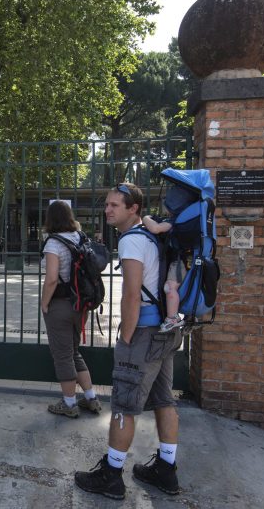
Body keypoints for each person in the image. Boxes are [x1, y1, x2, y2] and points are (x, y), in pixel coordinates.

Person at [74, 183, 183, 500]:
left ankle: (111, 475)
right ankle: (166, 469)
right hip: (166, 330)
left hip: (144, 334)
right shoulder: (153, 236)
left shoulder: (132, 241)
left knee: (123, 404)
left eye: (114, 205)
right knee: (164, 400)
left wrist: (125, 335)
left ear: (133, 209)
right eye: (106, 205)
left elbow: (132, 294)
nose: (107, 210)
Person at [40, 200, 101, 418]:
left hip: (61, 305)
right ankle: (92, 398)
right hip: (81, 305)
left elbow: (51, 280)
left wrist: (44, 303)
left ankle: (69, 404)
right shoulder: (79, 238)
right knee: (74, 352)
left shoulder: (53, 244)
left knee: (62, 356)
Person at [142, 214, 186, 333]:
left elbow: (155, 228)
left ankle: (172, 319)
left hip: (179, 262)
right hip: (176, 262)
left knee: (169, 288)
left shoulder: (175, 221)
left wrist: (145, 217)